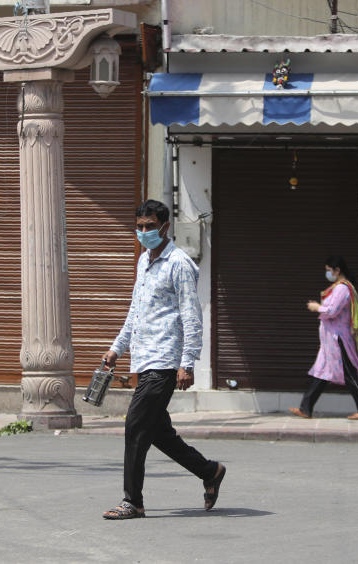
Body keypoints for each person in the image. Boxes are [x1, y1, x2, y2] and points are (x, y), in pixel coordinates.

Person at [101, 199, 225, 520]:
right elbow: (135, 312)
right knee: (157, 433)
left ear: (164, 227)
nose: (143, 232)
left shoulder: (179, 264)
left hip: (165, 362)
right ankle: (209, 471)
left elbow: (191, 316)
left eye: (150, 227)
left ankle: (133, 501)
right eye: (139, 227)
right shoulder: (144, 261)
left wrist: (188, 363)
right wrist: (116, 349)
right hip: (144, 361)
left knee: (135, 425)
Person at [289, 255, 358, 420]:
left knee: (349, 372)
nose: (327, 273)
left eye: (328, 270)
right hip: (330, 340)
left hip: (338, 339)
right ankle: (306, 408)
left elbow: (332, 311)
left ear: (337, 270)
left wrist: (316, 307)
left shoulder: (342, 288)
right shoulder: (339, 287)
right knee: (320, 372)